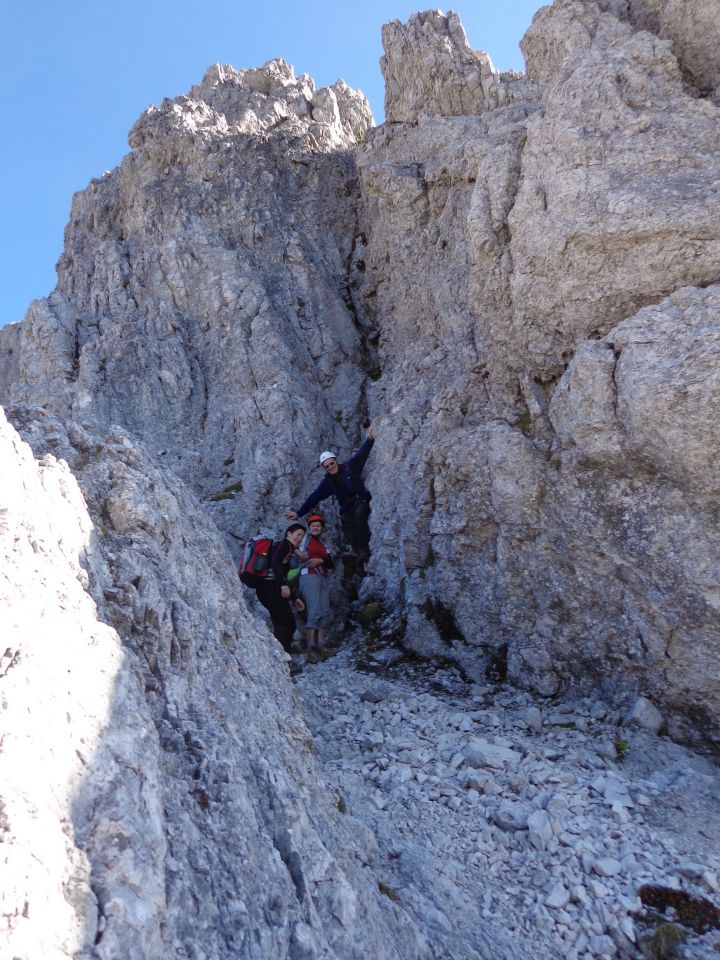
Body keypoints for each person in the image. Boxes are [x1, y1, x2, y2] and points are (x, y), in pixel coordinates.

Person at [285, 424, 375, 562]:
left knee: (359, 518)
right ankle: (359, 553)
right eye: (327, 466)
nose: (330, 467)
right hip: (346, 509)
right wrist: (298, 513)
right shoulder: (328, 483)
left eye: (331, 463)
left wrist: (370, 438)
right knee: (349, 533)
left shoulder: (350, 467)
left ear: (336, 461)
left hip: (360, 501)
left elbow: (362, 454)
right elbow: (314, 497)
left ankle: (364, 550)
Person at [255, 523, 306, 656]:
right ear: (288, 533)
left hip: (269, 588)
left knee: (286, 622)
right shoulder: (285, 544)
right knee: (284, 623)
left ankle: (283, 657)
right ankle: (282, 658)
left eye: (302, 536)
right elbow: (276, 563)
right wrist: (283, 585)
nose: (300, 538)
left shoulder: (286, 548)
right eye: (298, 534)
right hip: (269, 587)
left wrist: (295, 598)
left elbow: (283, 574)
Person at [297, 514, 335, 663]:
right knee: (314, 609)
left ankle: (321, 644)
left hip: (322, 578)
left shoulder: (323, 545)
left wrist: (321, 559)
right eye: (313, 525)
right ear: (309, 527)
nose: (315, 527)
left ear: (322, 529)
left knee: (325, 610)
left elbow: (331, 564)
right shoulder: (305, 540)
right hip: (308, 576)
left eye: (318, 526)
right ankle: (310, 647)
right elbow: (298, 554)